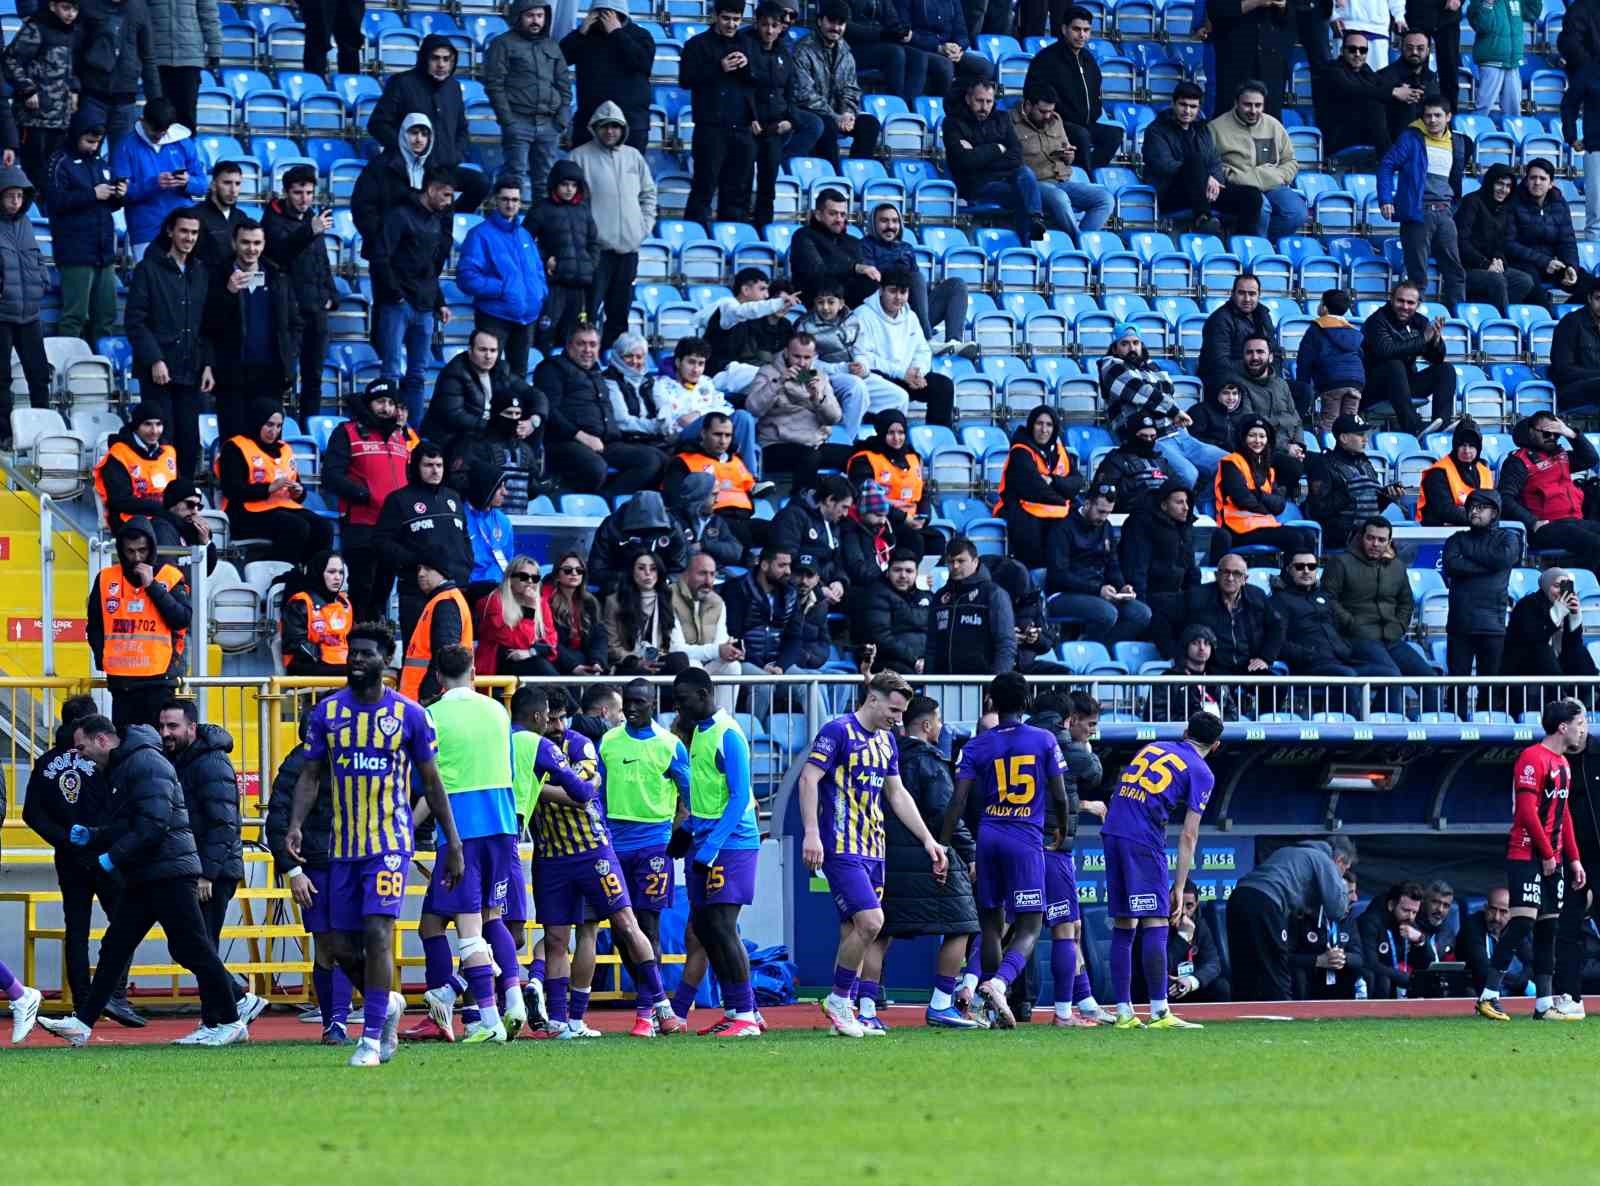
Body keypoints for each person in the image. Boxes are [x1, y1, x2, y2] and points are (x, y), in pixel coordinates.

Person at [280, 621, 464, 1066]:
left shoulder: (410, 716)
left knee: (379, 933)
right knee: (339, 947)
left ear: (387, 661)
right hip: (342, 847)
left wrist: (452, 842)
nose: (356, 659)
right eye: (352, 652)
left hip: (389, 844)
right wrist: (296, 824)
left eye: (365, 653)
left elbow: (433, 783)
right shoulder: (328, 713)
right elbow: (310, 775)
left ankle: (370, 1038)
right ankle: (389, 1004)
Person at [38, 716, 246, 1049]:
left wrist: (112, 857)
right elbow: (128, 823)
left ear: (103, 741)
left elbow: (154, 824)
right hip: (147, 872)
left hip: (169, 873)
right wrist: (93, 837)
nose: (79, 756)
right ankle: (82, 1023)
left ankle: (233, 1017)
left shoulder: (145, 762)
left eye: (81, 747)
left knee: (191, 947)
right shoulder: (125, 767)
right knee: (116, 946)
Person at [798, 670, 948, 1036]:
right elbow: (808, 778)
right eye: (894, 710)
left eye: (901, 712)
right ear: (873, 699)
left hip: (874, 848)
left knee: (853, 929)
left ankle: (843, 1010)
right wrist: (812, 834)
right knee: (871, 922)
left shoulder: (887, 742)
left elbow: (897, 794)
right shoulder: (837, 731)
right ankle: (837, 999)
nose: (898, 719)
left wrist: (928, 840)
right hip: (842, 845)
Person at [411, 646, 530, 1044]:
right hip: (501, 825)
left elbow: (430, 783)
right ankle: (513, 1002)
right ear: (475, 672)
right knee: (493, 917)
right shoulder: (498, 711)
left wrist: (408, 827)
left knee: (469, 930)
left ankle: (487, 1019)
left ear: (437, 677)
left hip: (461, 831)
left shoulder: (431, 716)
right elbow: (509, 768)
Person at [941, 673, 1069, 1028]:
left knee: (991, 926)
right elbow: (1059, 795)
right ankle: (998, 984)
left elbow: (958, 800)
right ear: (1027, 702)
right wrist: (1062, 830)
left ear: (991, 704)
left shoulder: (977, 744)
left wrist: (941, 844)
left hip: (989, 836)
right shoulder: (1043, 739)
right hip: (1024, 838)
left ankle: (992, 1006)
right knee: (1030, 925)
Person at [22, 694, 143, 1029]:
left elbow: (32, 813)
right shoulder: (106, 759)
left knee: (76, 930)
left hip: (70, 859)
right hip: (107, 854)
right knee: (124, 924)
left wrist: (64, 839)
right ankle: (115, 995)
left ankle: (82, 1003)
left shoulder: (46, 762)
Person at [862, 694, 978, 1029]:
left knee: (881, 931)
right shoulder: (929, 760)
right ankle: (942, 1003)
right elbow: (945, 811)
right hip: (928, 855)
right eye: (938, 721)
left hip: (884, 853)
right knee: (962, 925)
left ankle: (867, 1010)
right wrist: (968, 853)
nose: (940, 727)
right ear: (926, 725)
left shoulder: (885, 751)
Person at [1099, 712, 1222, 1028]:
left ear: (1185, 731)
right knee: (1155, 920)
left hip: (1113, 830)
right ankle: (1159, 1012)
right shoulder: (1202, 771)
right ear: (1216, 745)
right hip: (1142, 838)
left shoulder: (1154, 746)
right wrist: (1180, 887)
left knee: (1125, 924)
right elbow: (1189, 834)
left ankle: (1124, 1013)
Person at [156, 699, 263, 1039]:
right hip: (196, 867)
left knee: (201, 945)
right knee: (193, 945)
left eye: (172, 726)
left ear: (192, 727)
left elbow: (223, 823)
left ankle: (217, 1020)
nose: (166, 733)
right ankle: (235, 1001)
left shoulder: (211, 763)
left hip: (211, 872)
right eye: (162, 726)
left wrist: (208, 874)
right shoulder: (184, 760)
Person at [665, 667, 763, 1036]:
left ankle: (745, 1017)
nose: (679, 708)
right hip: (705, 840)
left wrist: (711, 847)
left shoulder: (728, 735)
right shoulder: (700, 735)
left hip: (731, 843)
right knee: (706, 928)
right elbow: (710, 797)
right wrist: (687, 831)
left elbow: (740, 798)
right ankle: (742, 1008)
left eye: (684, 700)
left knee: (722, 926)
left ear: (705, 694)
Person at [599, 680, 692, 974]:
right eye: (629, 701)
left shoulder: (670, 745)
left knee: (648, 925)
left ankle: (654, 1004)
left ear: (653, 703)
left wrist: (684, 831)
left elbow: (692, 796)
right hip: (615, 844)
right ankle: (647, 993)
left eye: (640, 701)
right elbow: (598, 792)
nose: (633, 707)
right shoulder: (609, 741)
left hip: (653, 843)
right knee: (619, 930)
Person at [122, 204, 210, 478]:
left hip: (191, 370)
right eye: (183, 231)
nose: (189, 238)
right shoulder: (148, 269)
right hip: (158, 371)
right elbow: (135, 321)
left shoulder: (201, 272)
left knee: (189, 441)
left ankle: (184, 499)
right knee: (161, 439)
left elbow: (208, 324)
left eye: (194, 232)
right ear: (170, 232)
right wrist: (155, 359)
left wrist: (208, 364)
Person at [537, 323, 667, 495]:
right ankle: (601, 502)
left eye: (593, 344)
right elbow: (549, 411)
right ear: (569, 346)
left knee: (659, 460)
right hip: (568, 441)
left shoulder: (597, 373)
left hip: (606, 443)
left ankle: (610, 499)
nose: (587, 349)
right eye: (581, 343)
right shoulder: (553, 368)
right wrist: (582, 436)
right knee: (595, 468)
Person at [371, 165, 455, 424]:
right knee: (392, 371)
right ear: (431, 189)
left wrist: (439, 301)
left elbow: (430, 269)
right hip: (399, 305)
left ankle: (412, 434)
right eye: (446, 195)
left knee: (418, 375)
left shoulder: (437, 221)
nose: (449, 201)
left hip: (425, 306)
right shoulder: (399, 216)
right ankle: (387, 429)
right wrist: (395, 295)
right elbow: (380, 257)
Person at [1226, 837, 1358, 1002]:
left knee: (1245, 963)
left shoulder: (1288, 852)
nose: (1342, 874)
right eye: (1344, 870)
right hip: (1266, 901)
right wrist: (1341, 887)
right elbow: (1337, 909)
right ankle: (1281, 1013)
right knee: (1277, 964)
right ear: (1339, 860)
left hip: (1238, 897)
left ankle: (1238, 1014)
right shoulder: (1324, 859)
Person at [1321, 515, 1440, 697]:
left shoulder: (1397, 567)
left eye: (1381, 540)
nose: (1375, 544)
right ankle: (1387, 724)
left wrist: (1400, 625)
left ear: (1389, 542)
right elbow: (1327, 599)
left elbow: (1406, 601)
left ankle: (1430, 725)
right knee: (1392, 679)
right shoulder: (1341, 563)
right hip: (1358, 638)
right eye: (1370, 538)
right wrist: (1351, 623)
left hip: (1391, 637)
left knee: (1429, 681)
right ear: (1361, 537)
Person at [321, 380, 411, 622]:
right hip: (361, 523)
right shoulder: (347, 432)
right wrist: (363, 494)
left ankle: (375, 647)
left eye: (391, 403)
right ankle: (358, 644)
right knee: (362, 589)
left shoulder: (400, 437)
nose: (386, 408)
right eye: (381, 401)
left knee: (382, 590)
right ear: (369, 403)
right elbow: (331, 475)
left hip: (393, 528)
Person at [87, 516, 188, 731]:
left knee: (158, 747)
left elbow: (182, 618)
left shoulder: (169, 576)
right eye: (130, 551)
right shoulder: (106, 578)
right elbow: (94, 625)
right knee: (125, 748)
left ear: (151, 548)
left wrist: (152, 586)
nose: (136, 557)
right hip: (122, 683)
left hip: (159, 680)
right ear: (121, 550)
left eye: (141, 550)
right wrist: (102, 658)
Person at [367, 36, 487, 216]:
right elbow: (377, 124)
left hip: (445, 169)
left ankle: (446, 216)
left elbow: (462, 129)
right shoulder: (402, 83)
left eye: (446, 59)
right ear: (424, 59)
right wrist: (407, 150)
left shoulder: (453, 87)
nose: (441, 64)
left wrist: (456, 155)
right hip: (410, 170)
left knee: (480, 183)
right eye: (435, 58)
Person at [203, 221, 301, 439]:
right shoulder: (218, 276)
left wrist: (289, 356)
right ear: (234, 243)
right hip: (232, 377)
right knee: (235, 443)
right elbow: (208, 325)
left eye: (257, 243)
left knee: (268, 443)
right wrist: (228, 293)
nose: (251, 249)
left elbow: (294, 323)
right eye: (245, 242)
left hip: (270, 376)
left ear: (264, 244)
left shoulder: (278, 277)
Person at [1100, 323, 1225, 493]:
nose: (1132, 348)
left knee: (1227, 463)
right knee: (1188, 475)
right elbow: (1141, 391)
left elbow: (1167, 390)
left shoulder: (1151, 367)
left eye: (1136, 343)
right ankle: (1185, 512)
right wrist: (1171, 410)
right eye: (1125, 344)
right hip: (1151, 439)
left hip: (1179, 435)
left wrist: (1157, 400)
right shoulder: (1110, 367)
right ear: (1115, 348)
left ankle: (1204, 505)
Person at [573, 102, 656, 355]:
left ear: (623, 129)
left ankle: (614, 364)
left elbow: (649, 194)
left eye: (615, 127)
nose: (610, 131)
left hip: (628, 250)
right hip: (597, 251)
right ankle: (584, 360)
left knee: (619, 313)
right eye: (605, 126)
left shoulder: (634, 156)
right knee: (587, 312)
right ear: (595, 128)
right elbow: (572, 204)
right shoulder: (579, 157)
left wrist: (643, 226)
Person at [262, 165, 338, 421]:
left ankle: (310, 427)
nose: (304, 198)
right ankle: (276, 427)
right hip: (288, 309)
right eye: (298, 193)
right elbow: (280, 252)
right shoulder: (271, 218)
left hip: (315, 308)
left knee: (314, 375)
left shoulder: (311, 219)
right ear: (286, 192)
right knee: (283, 375)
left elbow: (322, 260)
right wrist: (310, 230)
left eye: (308, 192)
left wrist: (331, 294)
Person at [375, 441, 472, 642]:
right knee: (417, 651)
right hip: (416, 591)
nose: (435, 471)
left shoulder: (453, 498)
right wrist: (416, 560)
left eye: (439, 465)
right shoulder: (399, 500)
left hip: (455, 588)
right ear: (416, 467)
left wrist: (466, 564)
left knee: (452, 653)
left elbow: (464, 538)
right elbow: (381, 542)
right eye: (428, 465)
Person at [1378, 95, 1466, 309]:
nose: (1433, 120)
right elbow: (1387, 165)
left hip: (1445, 212)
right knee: (1417, 273)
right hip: (1418, 213)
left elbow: (1455, 178)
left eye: (1438, 115)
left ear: (1448, 117)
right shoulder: (1411, 138)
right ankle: (1416, 320)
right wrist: (1386, 198)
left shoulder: (1458, 142)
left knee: (1455, 270)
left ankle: (1458, 316)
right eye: (1428, 116)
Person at [215, 400, 332, 562]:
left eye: (278, 426)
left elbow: (296, 487)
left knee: (323, 527)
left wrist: (298, 492)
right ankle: (282, 576)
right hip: (245, 512)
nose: (274, 431)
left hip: (283, 507)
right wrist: (268, 488)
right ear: (257, 421)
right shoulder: (235, 447)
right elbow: (231, 490)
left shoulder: (285, 448)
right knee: (296, 527)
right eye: (269, 425)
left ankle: (314, 575)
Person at [454, 178, 546, 382]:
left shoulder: (524, 235)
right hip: (494, 316)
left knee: (518, 377)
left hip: (526, 318)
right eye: (505, 199)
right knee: (486, 375)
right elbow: (467, 278)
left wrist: (540, 292)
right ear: (495, 200)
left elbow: (538, 270)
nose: (510, 204)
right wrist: (503, 288)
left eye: (515, 200)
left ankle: (515, 414)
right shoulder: (479, 235)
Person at [43, 112, 121, 349]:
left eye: (97, 142)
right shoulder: (59, 162)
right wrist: (92, 194)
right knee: (74, 316)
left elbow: (108, 204)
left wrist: (119, 196)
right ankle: (68, 370)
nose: (92, 146)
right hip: (76, 253)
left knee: (106, 316)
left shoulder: (100, 163)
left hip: (104, 253)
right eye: (88, 141)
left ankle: (102, 367)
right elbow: (55, 202)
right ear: (76, 135)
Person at [1141, 81, 1259, 234]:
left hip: (1204, 192)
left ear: (1198, 108)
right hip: (1171, 193)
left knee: (1252, 195)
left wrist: (1215, 180)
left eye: (1193, 106)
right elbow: (1165, 166)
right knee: (1193, 161)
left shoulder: (1202, 129)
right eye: (1183, 104)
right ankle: (1203, 219)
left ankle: (1242, 242)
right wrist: (1204, 177)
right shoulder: (1156, 130)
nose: (1187, 111)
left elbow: (1215, 161)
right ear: (1173, 103)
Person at [484, 0, 570, 204]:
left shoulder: (551, 46)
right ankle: (510, 230)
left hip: (549, 124)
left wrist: (562, 118)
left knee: (546, 181)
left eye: (540, 16)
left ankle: (539, 232)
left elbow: (564, 83)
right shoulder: (502, 44)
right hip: (518, 121)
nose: (536, 21)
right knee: (515, 178)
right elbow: (494, 85)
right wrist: (508, 122)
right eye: (530, 15)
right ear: (518, 16)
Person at [847, 267, 955, 427]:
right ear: (881, 290)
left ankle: (937, 437)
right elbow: (862, 357)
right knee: (895, 393)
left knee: (943, 386)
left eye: (903, 292)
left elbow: (922, 350)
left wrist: (918, 371)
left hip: (907, 376)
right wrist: (901, 373)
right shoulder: (862, 315)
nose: (898, 297)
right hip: (880, 377)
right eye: (893, 291)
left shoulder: (910, 316)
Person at [943, 77, 1045, 245]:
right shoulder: (953, 123)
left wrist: (979, 154)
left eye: (989, 101)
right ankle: (1027, 247)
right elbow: (964, 162)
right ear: (968, 99)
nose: (984, 107)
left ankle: (1036, 219)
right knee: (1022, 195)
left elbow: (1017, 155)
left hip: (1003, 177)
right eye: (979, 101)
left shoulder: (1002, 118)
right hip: (976, 185)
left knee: (1025, 172)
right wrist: (998, 148)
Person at [857, 202, 972, 351]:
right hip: (886, 315)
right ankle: (926, 339)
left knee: (957, 284)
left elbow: (917, 291)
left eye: (895, 221)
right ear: (873, 223)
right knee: (915, 277)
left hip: (913, 315)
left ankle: (954, 342)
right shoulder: (864, 246)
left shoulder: (906, 248)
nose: (890, 226)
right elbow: (872, 282)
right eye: (884, 221)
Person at [1271, 551, 1396, 687]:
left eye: (1311, 566)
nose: (1306, 571)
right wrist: (1308, 655)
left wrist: (1347, 647)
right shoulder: (1279, 601)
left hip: (1342, 661)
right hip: (1309, 668)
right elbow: (1276, 641)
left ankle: (1376, 710)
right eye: (1300, 567)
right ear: (1289, 570)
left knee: (1392, 676)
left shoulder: (1324, 597)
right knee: (1348, 677)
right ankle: (1347, 709)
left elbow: (1343, 627)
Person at [680, 0, 755, 226]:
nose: (731, 24)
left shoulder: (747, 43)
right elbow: (686, 80)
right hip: (710, 127)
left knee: (737, 191)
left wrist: (748, 66)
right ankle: (694, 236)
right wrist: (718, 68)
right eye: (726, 18)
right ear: (715, 15)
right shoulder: (697, 44)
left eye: (736, 19)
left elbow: (757, 81)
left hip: (741, 127)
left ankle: (730, 241)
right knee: (704, 187)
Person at [1009, 81, 1113, 243]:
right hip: (1034, 185)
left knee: (1105, 198)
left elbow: (1068, 158)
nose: (1048, 116)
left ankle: (1078, 241)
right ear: (1028, 105)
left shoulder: (1056, 120)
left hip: (1061, 180)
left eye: (1051, 111)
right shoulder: (1010, 122)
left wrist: (1068, 155)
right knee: (1060, 197)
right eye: (1043, 111)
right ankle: (1079, 242)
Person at [1018, 10, 1123, 171]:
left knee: (1114, 133)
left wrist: (1093, 113)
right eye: (1076, 29)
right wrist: (1057, 116)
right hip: (1056, 122)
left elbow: (1095, 92)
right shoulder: (1046, 58)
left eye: (1086, 30)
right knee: (1082, 135)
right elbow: (1033, 93)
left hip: (1087, 122)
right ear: (1064, 29)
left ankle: (1088, 170)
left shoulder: (1088, 59)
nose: (1082, 35)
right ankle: (1086, 177)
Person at [1045, 484, 1150, 643]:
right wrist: (1097, 589)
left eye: (1108, 513)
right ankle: (1085, 649)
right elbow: (1059, 575)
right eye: (1101, 512)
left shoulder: (1105, 527)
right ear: (1087, 504)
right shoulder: (1063, 528)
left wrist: (1122, 587)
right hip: (1063, 594)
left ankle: (1103, 649)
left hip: (1097, 592)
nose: (1103, 517)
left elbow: (1112, 564)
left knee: (1142, 613)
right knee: (1107, 613)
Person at [1440, 489, 1516, 710]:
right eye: (1471, 507)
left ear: (1495, 513)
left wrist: (1470, 558)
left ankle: (1487, 728)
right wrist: (1490, 565)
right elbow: (1452, 566)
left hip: (1492, 624)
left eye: (1481, 508)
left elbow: (1504, 559)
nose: (1474, 511)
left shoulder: (1508, 537)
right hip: (1460, 623)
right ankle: (1456, 729)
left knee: (1489, 685)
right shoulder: (1457, 539)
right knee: (1458, 684)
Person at [1497, 412, 1600, 568]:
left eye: (1556, 434)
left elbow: (1590, 459)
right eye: (1546, 433)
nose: (1552, 437)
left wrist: (1571, 433)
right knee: (1595, 544)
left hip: (1575, 521)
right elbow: (1505, 498)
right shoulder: (1517, 462)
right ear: (1531, 432)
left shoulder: (1561, 455)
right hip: (1545, 527)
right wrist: (1532, 522)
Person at [108, 97, 205, 262]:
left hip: (182, 227)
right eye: (154, 131)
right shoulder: (126, 146)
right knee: (150, 284)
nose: (159, 136)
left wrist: (187, 182)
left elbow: (203, 185)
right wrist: (153, 184)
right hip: (146, 229)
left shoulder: (183, 142)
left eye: (164, 131)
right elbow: (121, 193)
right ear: (142, 121)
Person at [1208, 81, 1305, 239]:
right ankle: (1258, 252)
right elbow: (1211, 164)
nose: (1253, 110)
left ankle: (1262, 243)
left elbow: (1290, 161)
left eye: (1258, 105)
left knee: (1297, 212)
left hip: (1273, 185)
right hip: (1241, 188)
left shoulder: (1274, 125)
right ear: (1236, 103)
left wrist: (1280, 176)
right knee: (1261, 208)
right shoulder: (1216, 128)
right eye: (1247, 105)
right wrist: (1232, 176)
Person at [746, 332, 848, 480]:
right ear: (786, 353)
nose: (801, 363)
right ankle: (802, 497)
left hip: (814, 443)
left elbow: (834, 418)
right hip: (777, 444)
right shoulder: (768, 372)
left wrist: (818, 397)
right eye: (797, 356)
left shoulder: (819, 376)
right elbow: (753, 408)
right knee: (809, 456)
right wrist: (778, 383)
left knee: (858, 455)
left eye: (807, 358)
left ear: (814, 356)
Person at [1162, 552, 1285, 674]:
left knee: (1277, 688)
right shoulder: (1196, 596)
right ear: (1216, 575)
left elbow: (1277, 626)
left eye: (1236, 573)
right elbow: (1161, 620)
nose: (1230, 578)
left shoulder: (1257, 596)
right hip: (1211, 669)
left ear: (1245, 579)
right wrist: (1177, 656)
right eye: (1225, 572)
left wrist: (1265, 658)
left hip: (1249, 666)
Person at [792, 1, 881, 170]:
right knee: (828, 125)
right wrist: (835, 116)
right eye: (832, 21)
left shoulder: (845, 51)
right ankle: (832, 176)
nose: (836, 27)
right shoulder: (803, 50)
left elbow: (851, 88)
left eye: (841, 23)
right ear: (820, 21)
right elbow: (804, 95)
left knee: (870, 124)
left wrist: (848, 112)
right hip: (810, 113)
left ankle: (857, 173)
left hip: (836, 115)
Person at [1360, 280, 1456, 436]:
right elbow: (1386, 350)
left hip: (1404, 384)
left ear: (1417, 304)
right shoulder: (1376, 321)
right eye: (1400, 301)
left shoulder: (1420, 321)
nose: (1405, 306)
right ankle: (1413, 427)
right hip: (1374, 388)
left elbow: (1437, 359)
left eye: (1410, 303)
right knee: (1394, 363)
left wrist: (1436, 341)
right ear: (1391, 299)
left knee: (1446, 369)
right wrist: (1423, 339)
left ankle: (1441, 424)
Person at [993, 403, 1083, 568]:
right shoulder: (1020, 451)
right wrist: (1063, 498)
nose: (1044, 429)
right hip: (1021, 507)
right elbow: (1034, 488)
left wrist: (1054, 481)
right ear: (1031, 425)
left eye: (1049, 425)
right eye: (1039, 423)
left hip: (1054, 508)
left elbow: (1077, 481)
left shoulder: (1059, 449)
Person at [1211, 416, 1312, 559]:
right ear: (1243, 437)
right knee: (1295, 538)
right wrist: (1266, 506)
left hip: (1263, 525)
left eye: (1262, 436)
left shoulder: (1268, 468)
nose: (1257, 441)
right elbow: (1243, 500)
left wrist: (1259, 494)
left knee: (1308, 536)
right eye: (1252, 435)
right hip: (1236, 528)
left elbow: (1279, 505)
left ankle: (1302, 574)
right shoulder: (1231, 462)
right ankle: (1289, 578)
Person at [3, 0, 81, 188]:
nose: (71, 14)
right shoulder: (36, 28)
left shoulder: (71, 32)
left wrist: (74, 89)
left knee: (54, 175)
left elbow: (70, 68)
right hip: (34, 118)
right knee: (34, 174)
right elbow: (10, 60)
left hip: (60, 119)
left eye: (75, 9)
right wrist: (27, 89)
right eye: (66, 8)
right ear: (53, 6)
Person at [656, 338, 760, 474]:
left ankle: (751, 478)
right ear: (678, 362)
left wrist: (699, 413)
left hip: (711, 429)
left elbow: (725, 408)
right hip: (681, 437)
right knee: (714, 422)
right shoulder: (661, 385)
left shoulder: (706, 382)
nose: (696, 369)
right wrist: (705, 415)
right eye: (691, 362)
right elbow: (673, 423)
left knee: (743, 417)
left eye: (701, 364)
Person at [523, 160, 597, 352]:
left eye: (573, 185)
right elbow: (524, 243)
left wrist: (590, 265)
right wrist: (544, 260)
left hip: (578, 286)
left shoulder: (584, 211)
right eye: (564, 184)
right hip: (553, 285)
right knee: (546, 333)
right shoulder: (541, 209)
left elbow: (594, 243)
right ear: (555, 185)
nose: (569, 189)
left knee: (572, 337)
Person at [561, 3, 654, 153]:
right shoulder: (584, 36)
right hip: (590, 121)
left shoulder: (640, 35)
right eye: (600, 13)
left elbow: (643, 64)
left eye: (609, 13)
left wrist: (617, 33)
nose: (604, 18)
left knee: (628, 174)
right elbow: (560, 59)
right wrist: (579, 33)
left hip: (631, 122)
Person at [1220, 337, 1307, 490]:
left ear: (1271, 356)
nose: (1254, 357)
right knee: (1293, 467)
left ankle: (1313, 510)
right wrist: (1286, 447)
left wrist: (1299, 445)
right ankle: (1278, 501)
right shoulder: (1237, 385)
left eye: (1260, 352)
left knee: (1322, 464)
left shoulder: (1281, 384)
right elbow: (1249, 426)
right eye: (1249, 353)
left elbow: (1297, 420)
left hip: (1289, 447)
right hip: (1258, 451)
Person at [665, 409, 760, 547]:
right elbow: (674, 502)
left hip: (745, 520)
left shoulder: (737, 461)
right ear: (703, 433)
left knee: (780, 529)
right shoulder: (682, 461)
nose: (723, 441)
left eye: (728, 435)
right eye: (717, 434)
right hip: (713, 523)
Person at [847, 408, 936, 555]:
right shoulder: (863, 460)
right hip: (883, 520)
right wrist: (903, 518)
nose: (897, 438)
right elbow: (865, 498)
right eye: (890, 433)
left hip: (913, 519)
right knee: (914, 540)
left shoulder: (913, 457)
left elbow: (923, 491)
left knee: (936, 540)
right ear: (881, 432)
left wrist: (924, 517)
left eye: (901, 433)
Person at [1306, 414, 1404, 545]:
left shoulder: (1365, 463)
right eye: (1360, 434)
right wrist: (1348, 493)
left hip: (1368, 532)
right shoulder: (1324, 464)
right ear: (1343, 438)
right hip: (1341, 535)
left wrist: (1387, 497)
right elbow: (1318, 510)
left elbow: (1371, 506)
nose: (1365, 439)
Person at [925, 535, 1016, 674]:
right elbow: (931, 647)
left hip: (981, 687)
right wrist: (928, 684)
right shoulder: (940, 597)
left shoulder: (993, 594)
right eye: (950, 561)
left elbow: (1005, 645)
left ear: (975, 561)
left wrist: (996, 688)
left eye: (961, 561)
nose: (955, 566)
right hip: (941, 686)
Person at [451, 385, 546, 515]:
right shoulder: (475, 445)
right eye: (508, 413)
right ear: (496, 414)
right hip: (484, 520)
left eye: (517, 414)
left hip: (520, 522)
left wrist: (540, 486)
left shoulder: (525, 450)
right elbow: (458, 482)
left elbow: (532, 488)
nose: (513, 418)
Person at [75, 0, 160, 146]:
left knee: (121, 159)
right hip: (92, 96)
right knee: (87, 154)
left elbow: (148, 58)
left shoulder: (139, 7)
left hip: (125, 99)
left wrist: (156, 102)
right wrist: (74, 86)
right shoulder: (87, 5)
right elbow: (74, 50)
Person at [1506, 159, 1591, 302]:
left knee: (1591, 285)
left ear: (1551, 183)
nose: (1537, 182)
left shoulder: (1559, 203)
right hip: (1522, 265)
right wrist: (1544, 261)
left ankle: (1569, 316)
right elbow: (1509, 244)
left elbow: (1567, 241)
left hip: (1553, 265)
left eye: (1542, 178)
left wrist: (1571, 267)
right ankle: (1550, 320)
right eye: (1532, 178)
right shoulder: (1513, 202)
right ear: (1526, 181)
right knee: (1534, 288)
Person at [699, 268, 799, 390]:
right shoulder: (728, 307)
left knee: (807, 376)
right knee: (770, 376)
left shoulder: (783, 325)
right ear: (745, 290)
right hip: (717, 374)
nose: (766, 295)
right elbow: (744, 311)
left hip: (736, 372)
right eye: (762, 289)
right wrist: (779, 302)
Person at [1503, 567, 1600, 680]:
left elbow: (1573, 645)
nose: (1561, 591)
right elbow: (1534, 640)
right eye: (1557, 586)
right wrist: (1557, 613)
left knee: (1580, 653)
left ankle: (1591, 688)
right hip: (1525, 667)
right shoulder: (1527, 605)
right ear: (1546, 586)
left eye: (1565, 586)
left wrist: (1575, 616)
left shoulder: (1565, 605)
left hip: (1556, 666)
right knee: (1543, 651)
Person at [400, 557, 474, 704]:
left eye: (428, 568)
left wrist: (428, 696)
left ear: (442, 572)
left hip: (433, 701)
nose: (420, 574)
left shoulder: (445, 602)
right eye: (419, 568)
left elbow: (445, 656)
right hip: (433, 699)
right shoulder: (442, 600)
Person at [92, 401, 175, 529]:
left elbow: (177, 489)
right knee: (164, 529)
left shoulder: (168, 451)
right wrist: (159, 508)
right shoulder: (119, 453)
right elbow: (119, 501)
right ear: (136, 425)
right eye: (147, 424)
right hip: (129, 519)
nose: (154, 431)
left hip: (164, 516)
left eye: (158, 424)